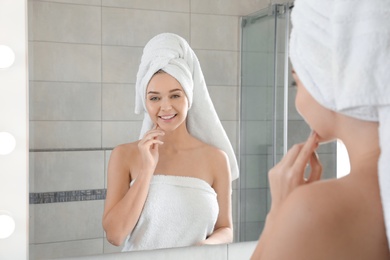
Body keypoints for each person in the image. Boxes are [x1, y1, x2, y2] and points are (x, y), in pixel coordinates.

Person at [251, 0, 390, 259]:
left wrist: (277, 215)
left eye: (296, 82)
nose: (297, 100)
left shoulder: (314, 211)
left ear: (326, 77)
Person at [102, 33, 239, 252]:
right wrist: (147, 169)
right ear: (146, 102)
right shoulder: (125, 155)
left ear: (189, 98)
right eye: (154, 98)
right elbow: (115, 235)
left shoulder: (215, 158)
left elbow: (225, 229)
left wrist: (202, 248)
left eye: (175, 95)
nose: (165, 107)